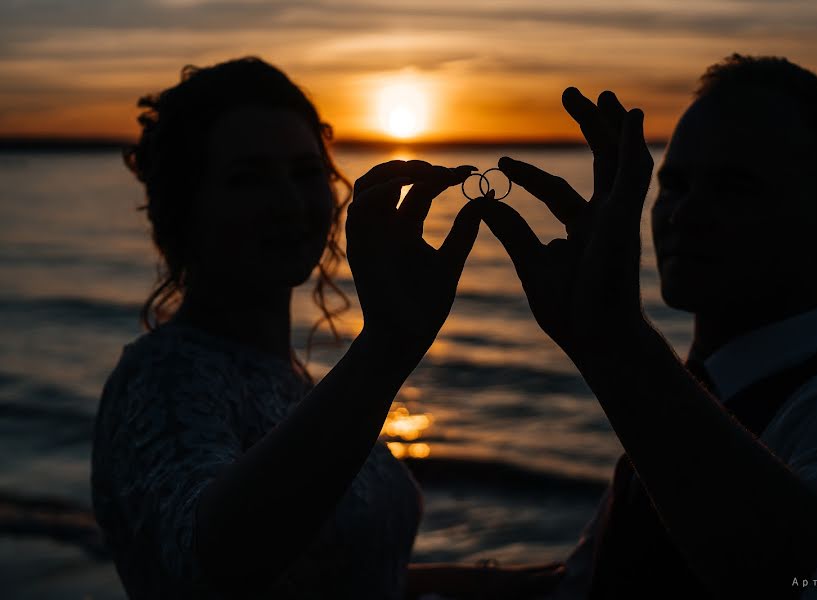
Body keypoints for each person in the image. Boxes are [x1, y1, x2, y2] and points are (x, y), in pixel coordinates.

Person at [90, 57, 561, 599]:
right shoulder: (161, 380)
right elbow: (215, 562)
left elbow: (330, 577)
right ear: (182, 206)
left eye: (305, 172)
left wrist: (482, 582)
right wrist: (387, 347)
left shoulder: (291, 380)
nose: (288, 204)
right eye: (248, 179)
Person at [480, 54, 817, 598]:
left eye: (734, 187)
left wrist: (614, 340)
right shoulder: (685, 397)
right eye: (674, 185)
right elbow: (588, 581)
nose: (682, 215)